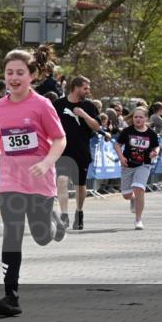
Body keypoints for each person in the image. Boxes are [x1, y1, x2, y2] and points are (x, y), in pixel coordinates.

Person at [0, 49, 67, 317]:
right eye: (9, 73)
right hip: (10, 180)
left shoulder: (42, 105)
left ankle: (53, 221)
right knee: (12, 234)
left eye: (20, 73)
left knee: (41, 237)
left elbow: (59, 139)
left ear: (32, 76)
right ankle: (10, 296)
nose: (13, 78)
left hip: (39, 181)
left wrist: (47, 163)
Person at [53, 76, 101, 231]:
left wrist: (84, 115)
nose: (88, 91)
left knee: (80, 184)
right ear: (76, 87)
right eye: (85, 88)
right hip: (63, 150)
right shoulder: (58, 104)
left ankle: (79, 212)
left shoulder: (89, 106)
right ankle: (64, 215)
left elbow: (97, 127)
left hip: (82, 150)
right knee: (61, 180)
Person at [114, 106, 159, 230]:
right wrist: (121, 157)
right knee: (126, 194)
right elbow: (117, 145)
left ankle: (138, 220)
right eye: (135, 117)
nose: (138, 119)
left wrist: (155, 152)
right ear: (132, 118)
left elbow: (156, 146)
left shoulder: (151, 133)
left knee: (139, 188)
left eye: (140, 117)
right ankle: (132, 199)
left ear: (145, 119)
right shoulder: (127, 131)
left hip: (144, 164)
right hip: (128, 165)